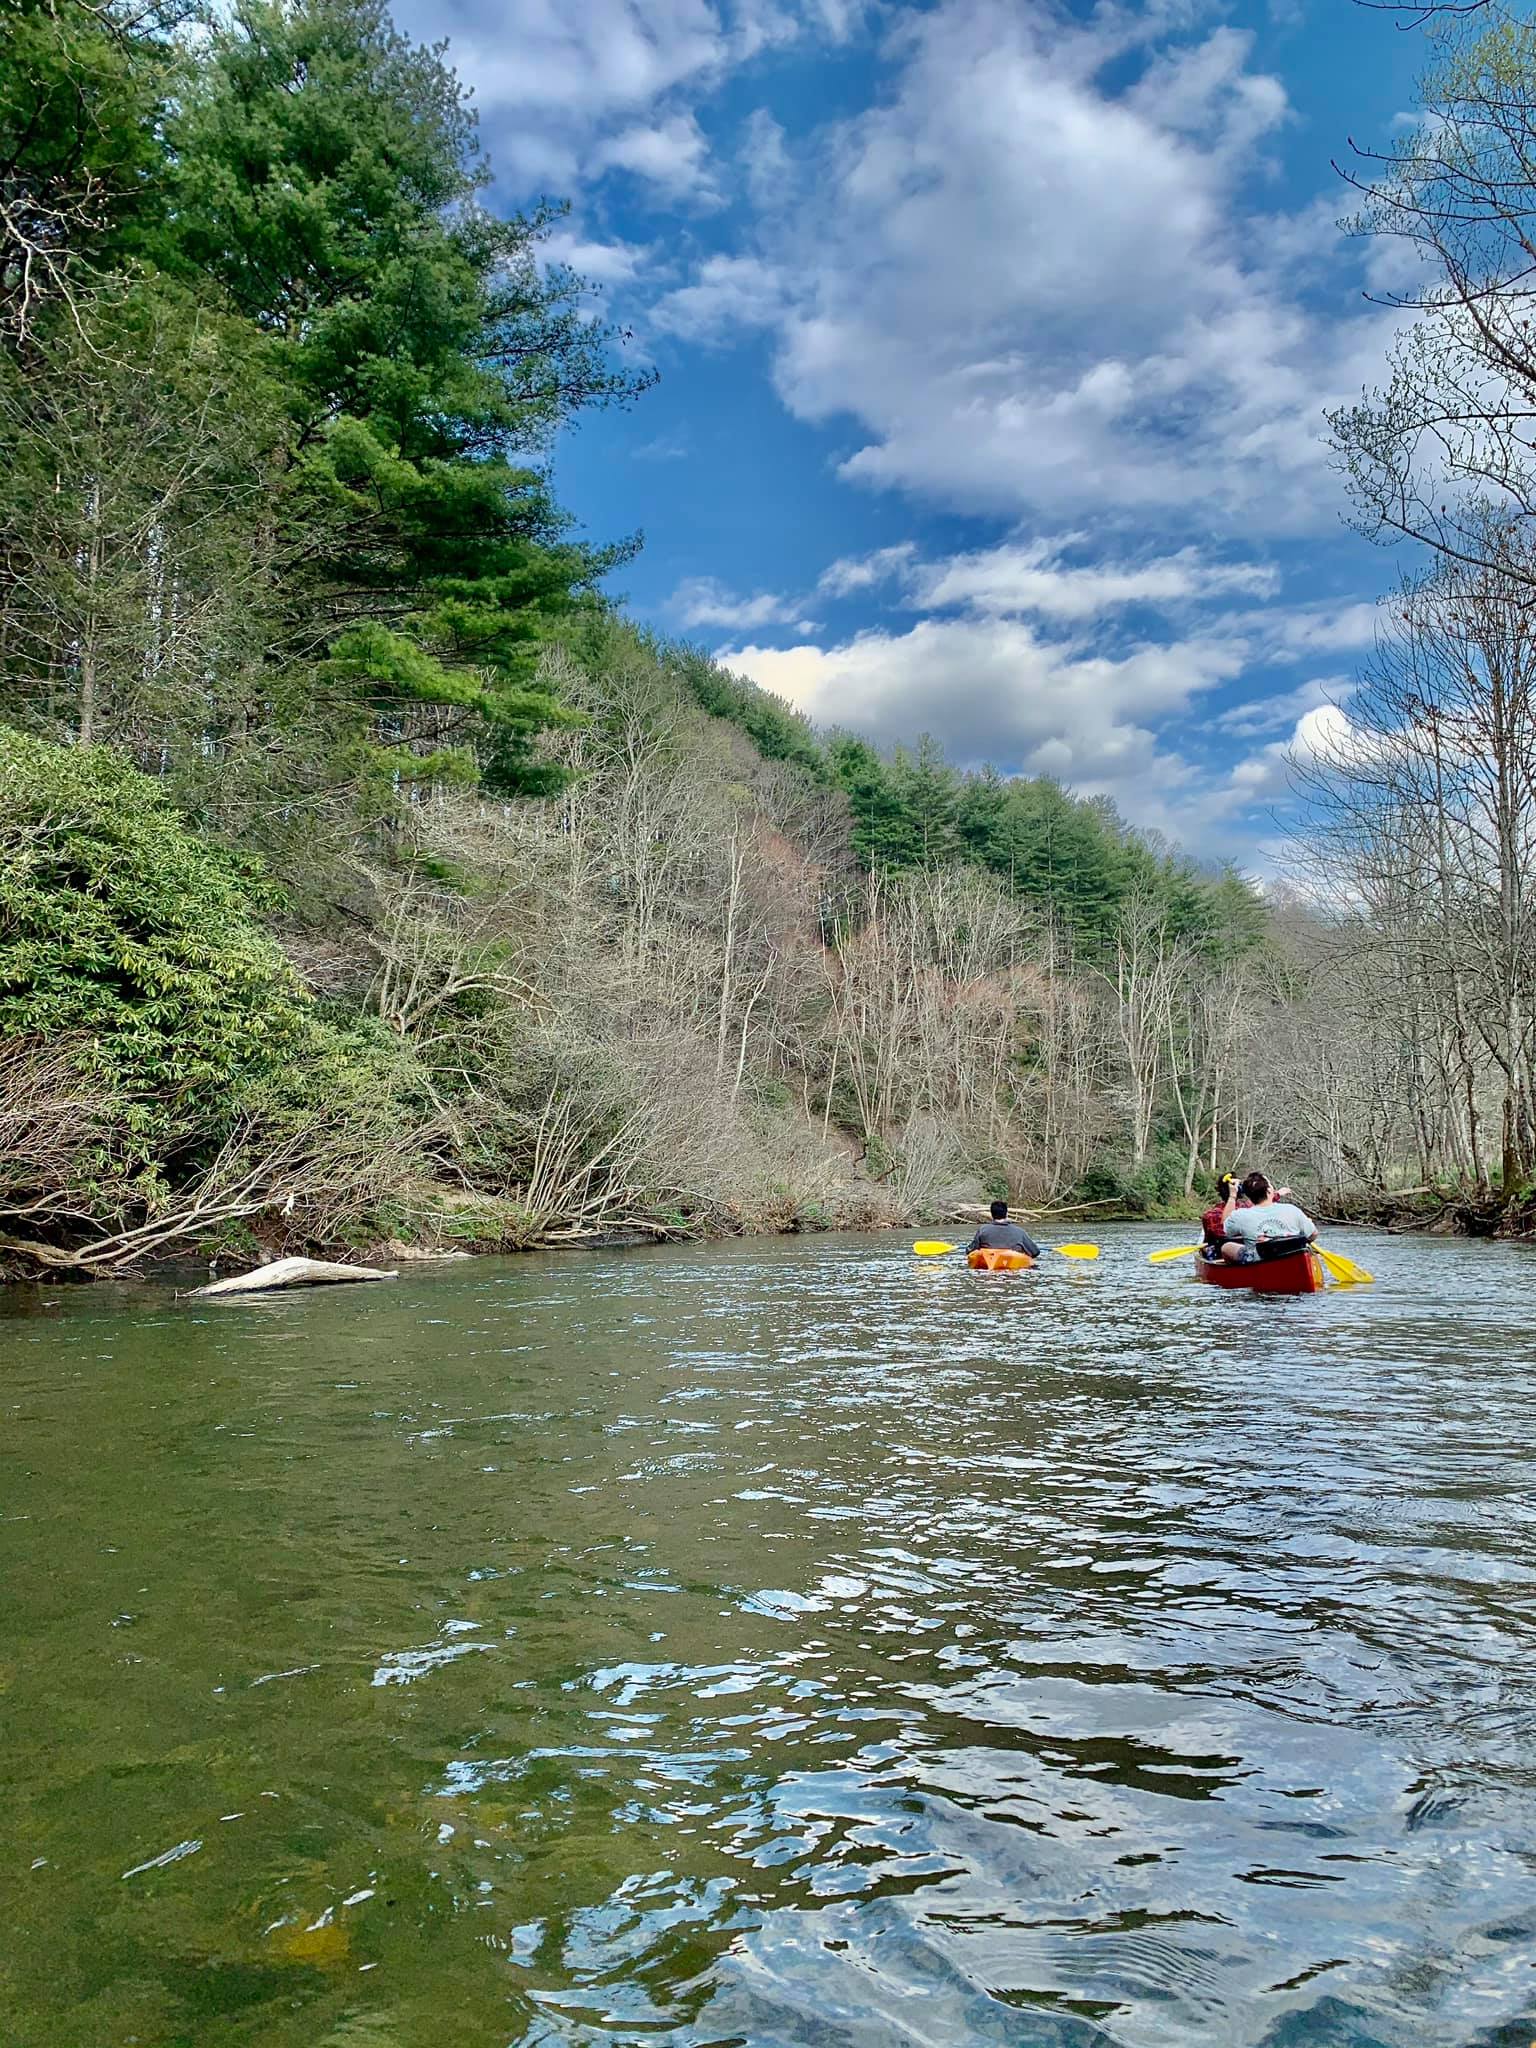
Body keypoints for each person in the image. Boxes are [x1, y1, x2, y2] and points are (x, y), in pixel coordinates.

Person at [1219, 1172, 1316, 1264]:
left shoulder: (1240, 1215)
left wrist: (1232, 1196)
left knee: (1226, 1247)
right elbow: (1313, 1234)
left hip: (1260, 1260)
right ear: (1269, 1191)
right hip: (1293, 1258)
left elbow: (1224, 1227)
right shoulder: (1292, 1209)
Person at [967, 1199, 1043, 1258]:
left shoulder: (982, 1230)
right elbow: (1035, 1252)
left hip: (989, 1262)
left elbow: (970, 1251)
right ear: (1006, 1214)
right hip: (1013, 1264)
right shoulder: (1020, 1232)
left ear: (992, 1214)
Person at [1200, 1173, 1247, 1257]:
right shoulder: (1250, 1209)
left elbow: (1207, 1240)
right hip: (1246, 1251)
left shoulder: (1209, 1215)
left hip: (1219, 1254)